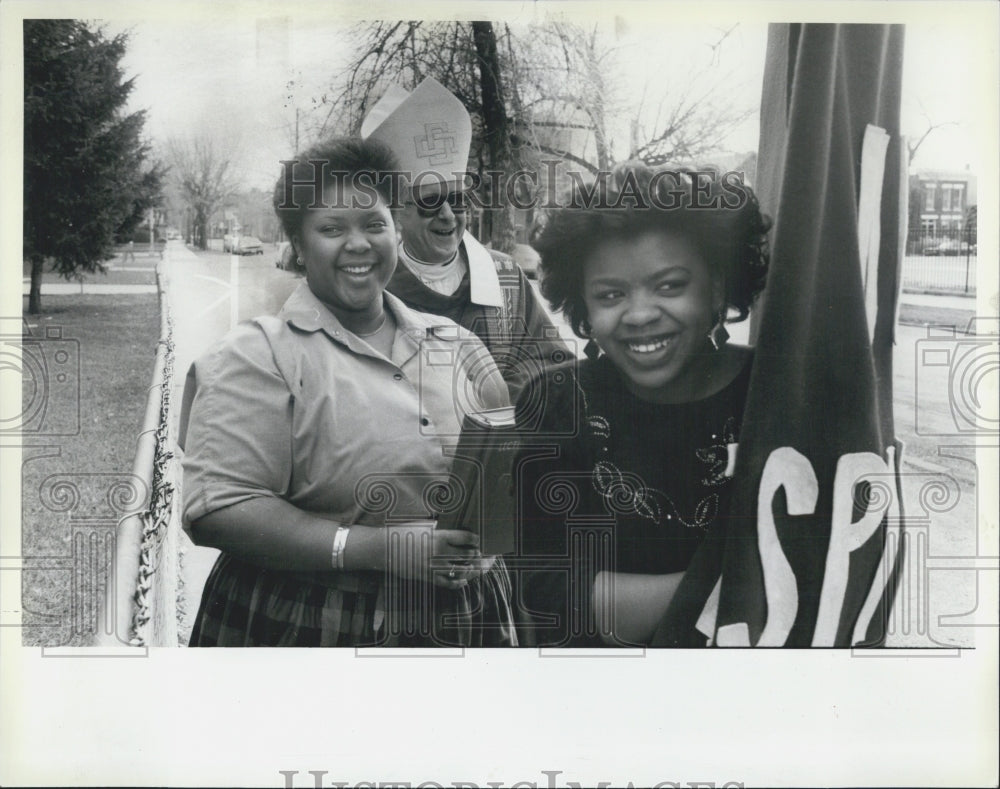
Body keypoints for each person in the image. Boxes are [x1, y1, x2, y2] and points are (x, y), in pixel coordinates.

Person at [178, 137, 518, 647]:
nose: (357, 244)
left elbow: (505, 469)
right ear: (297, 244)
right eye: (332, 229)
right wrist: (381, 549)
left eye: (373, 224)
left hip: (465, 618)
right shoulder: (256, 355)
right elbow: (218, 510)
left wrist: (489, 542)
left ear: (396, 232)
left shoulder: (459, 344)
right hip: (311, 621)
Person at [516, 162, 771, 647]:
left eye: (670, 285)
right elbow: (548, 594)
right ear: (584, 308)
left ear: (717, 285)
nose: (639, 315)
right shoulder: (556, 403)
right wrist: (728, 589)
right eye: (610, 295)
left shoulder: (771, 394)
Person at [361, 77, 567, 399]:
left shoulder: (504, 277)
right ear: (398, 210)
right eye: (430, 203)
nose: (447, 215)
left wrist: (501, 398)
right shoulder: (375, 288)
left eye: (456, 200)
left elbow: (555, 365)